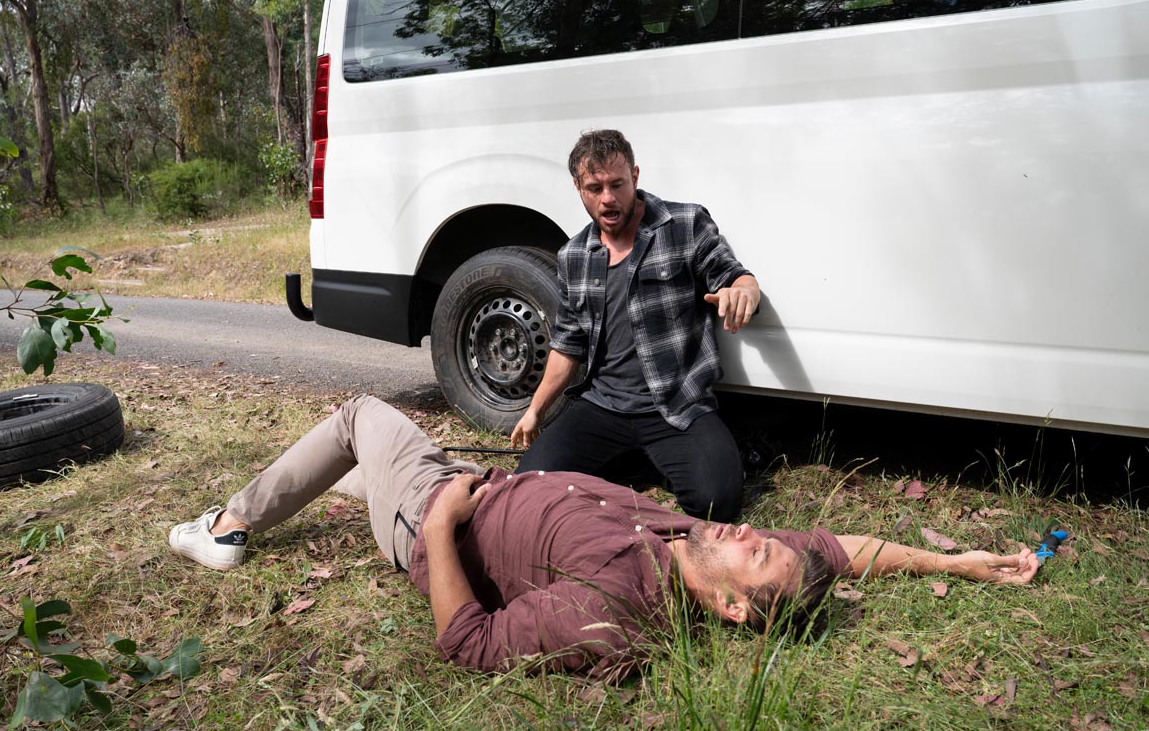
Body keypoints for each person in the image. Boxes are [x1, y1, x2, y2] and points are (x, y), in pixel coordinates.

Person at [170, 396, 1041, 679]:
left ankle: (227, 527)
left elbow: (468, 642)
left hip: (436, 514)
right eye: (761, 538)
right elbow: (844, 548)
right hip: (482, 486)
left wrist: (438, 525)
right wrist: (956, 561)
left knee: (361, 414)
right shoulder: (700, 543)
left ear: (735, 610)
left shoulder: (613, 607)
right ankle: (356, 484)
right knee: (371, 456)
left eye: (757, 552)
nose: (751, 531)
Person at [510, 129, 760, 522]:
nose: (607, 198)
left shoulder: (684, 224)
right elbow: (567, 344)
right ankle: (639, 461)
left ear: (635, 176)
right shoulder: (574, 255)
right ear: (578, 187)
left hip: (676, 406)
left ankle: (652, 459)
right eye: (595, 188)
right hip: (601, 407)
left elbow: (735, 276)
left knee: (718, 502)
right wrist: (535, 411)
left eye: (617, 184)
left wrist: (743, 292)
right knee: (527, 487)